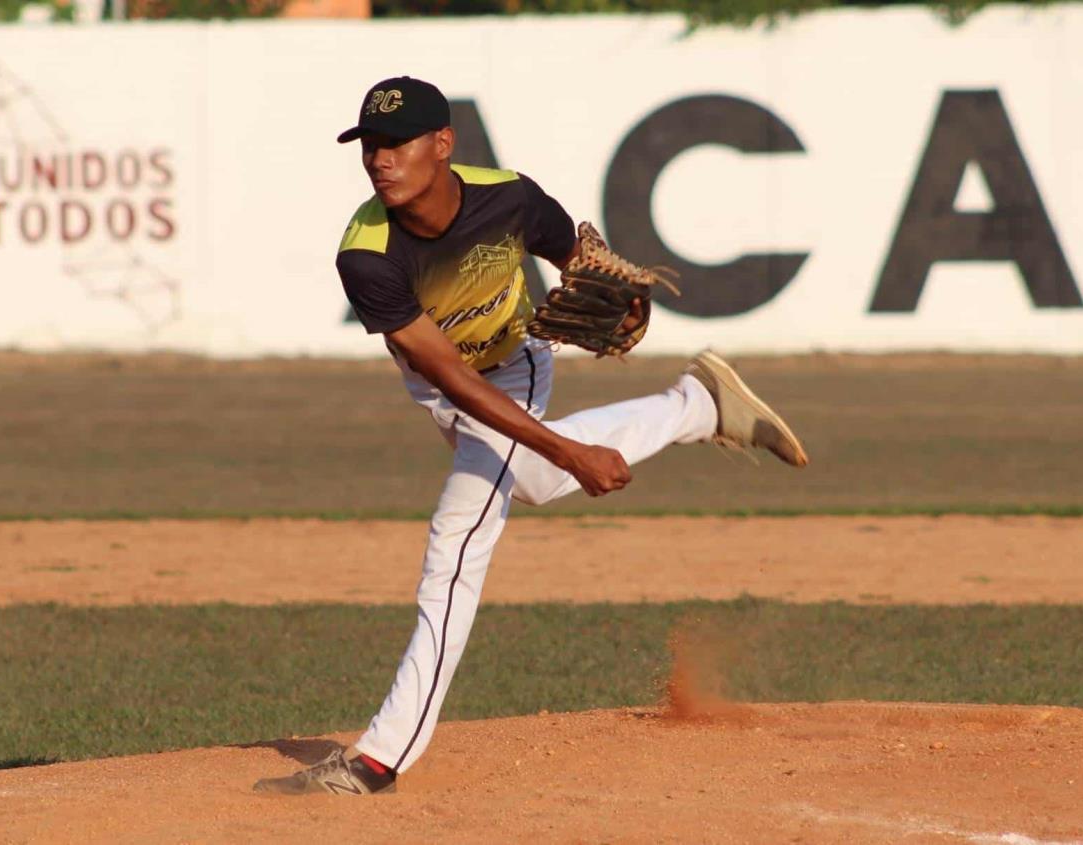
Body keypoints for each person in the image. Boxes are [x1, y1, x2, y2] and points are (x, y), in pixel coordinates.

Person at [253, 76, 807, 797]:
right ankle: (696, 406)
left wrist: (626, 307)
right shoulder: (367, 254)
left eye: (395, 143)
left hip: (514, 367)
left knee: (456, 540)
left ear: (441, 145)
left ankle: (379, 758)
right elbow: (448, 377)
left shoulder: (509, 197)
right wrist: (568, 450)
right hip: (447, 382)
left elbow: (582, 266)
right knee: (544, 476)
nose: (379, 159)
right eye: (369, 146)